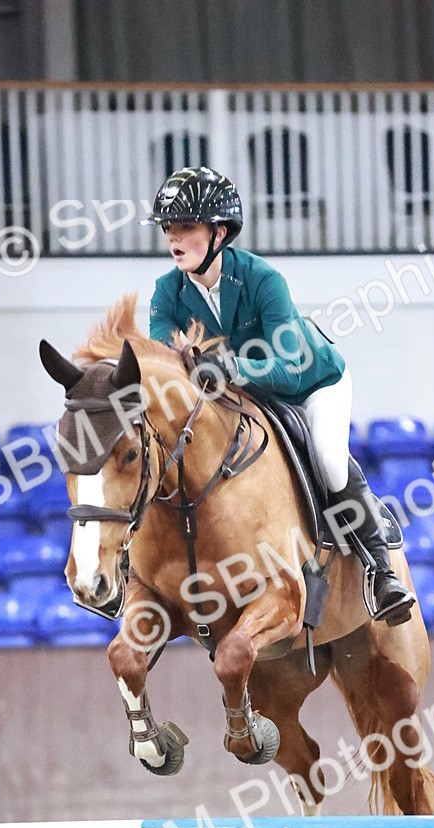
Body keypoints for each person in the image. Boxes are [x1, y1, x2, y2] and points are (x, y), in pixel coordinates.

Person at [142, 165, 415, 625]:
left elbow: (287, 369)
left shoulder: (263, 279)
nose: (173, 237)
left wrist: (230, 367)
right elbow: (163, 363)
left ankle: (380, 569)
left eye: (186, 226)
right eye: (169, 227)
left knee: (328, 459)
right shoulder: (166, 292)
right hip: (239, 396)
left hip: (309, 383)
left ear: (219, 232)